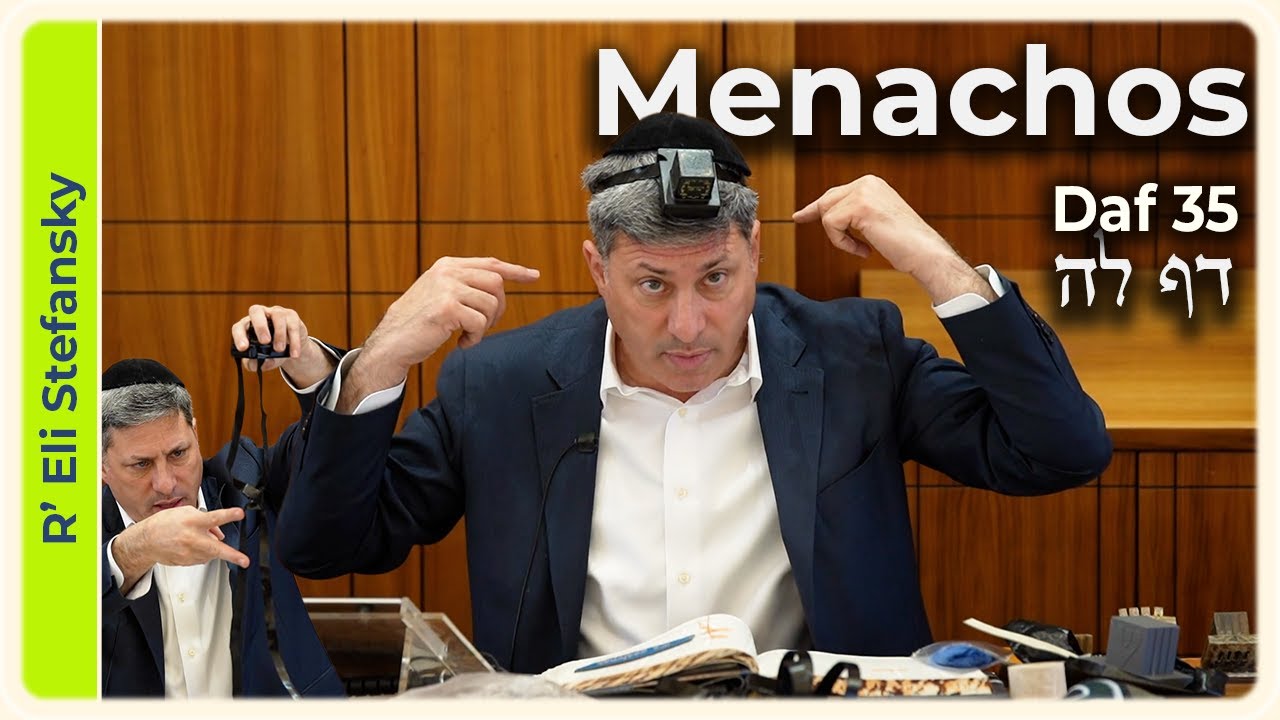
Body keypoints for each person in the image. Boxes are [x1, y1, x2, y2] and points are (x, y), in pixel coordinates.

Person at [276, 112, 1112, 673]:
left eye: (716, 277)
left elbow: (1060, 452)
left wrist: (934, 260)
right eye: (651, 284)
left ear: (755, 251)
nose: (687, 326)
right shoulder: (502, 384)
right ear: (598, 269)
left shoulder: (855, 356)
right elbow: (325, 546)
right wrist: (380, 360)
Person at [100, 305, 345, 697]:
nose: (166, 484)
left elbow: (330, 445)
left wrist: (306, 359)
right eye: (141, 464)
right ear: (101, 466)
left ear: (195, 435)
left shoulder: (248, 481)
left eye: (178, 453)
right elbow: (48, 613)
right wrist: (136, 549)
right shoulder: (68, 527)